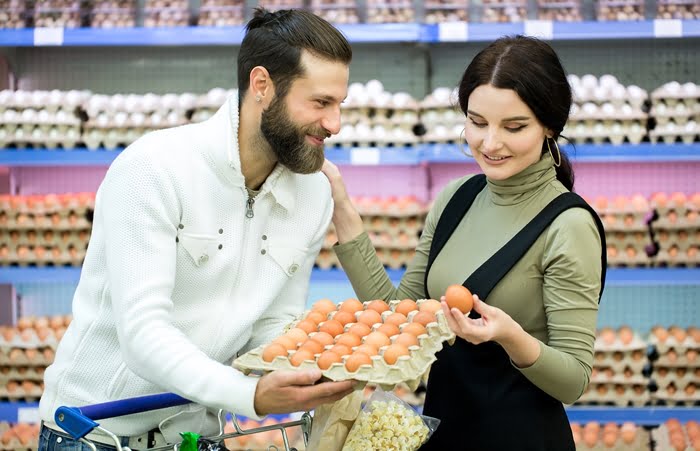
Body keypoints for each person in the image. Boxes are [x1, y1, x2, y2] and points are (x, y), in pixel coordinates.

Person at [39, 7, 355, 450]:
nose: (335, 123)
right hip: (96, 434)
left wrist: (323, 360)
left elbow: (274, 322)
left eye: (339, 104)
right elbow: (144, 335)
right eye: (320, 103)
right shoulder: (154, 169)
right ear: (261, 85)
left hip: (194, 437)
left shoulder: (312, 195)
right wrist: (250, 395)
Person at [322, 35, 606, 450]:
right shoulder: (457, 198)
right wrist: (343, 211)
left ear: (550, 125)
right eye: (477, 122)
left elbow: (573, 380)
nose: (490, 143)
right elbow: (399, 314)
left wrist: (510, 336)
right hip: (445, 433)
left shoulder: (569, 225)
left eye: (514, 127)